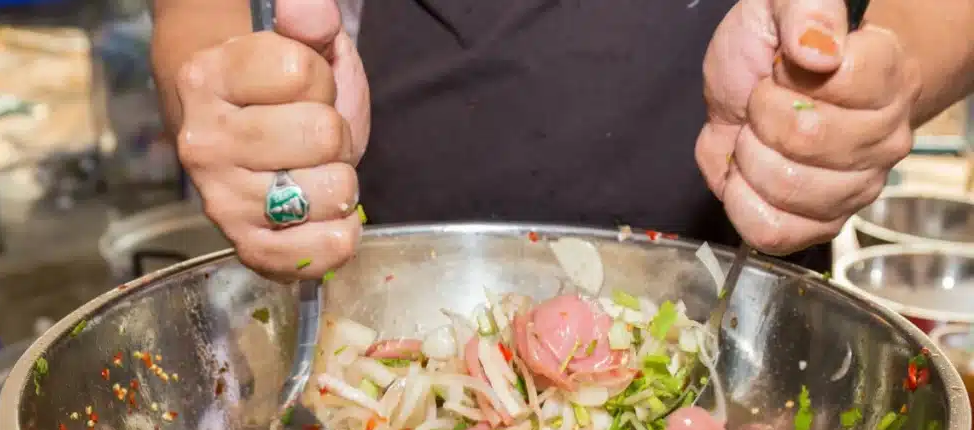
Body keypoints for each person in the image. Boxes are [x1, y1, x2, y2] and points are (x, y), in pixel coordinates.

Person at [151, 0, 974, 282]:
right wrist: (244, 110)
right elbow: (198, 14)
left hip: (746, 345)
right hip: (382, 306)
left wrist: (885, 74)